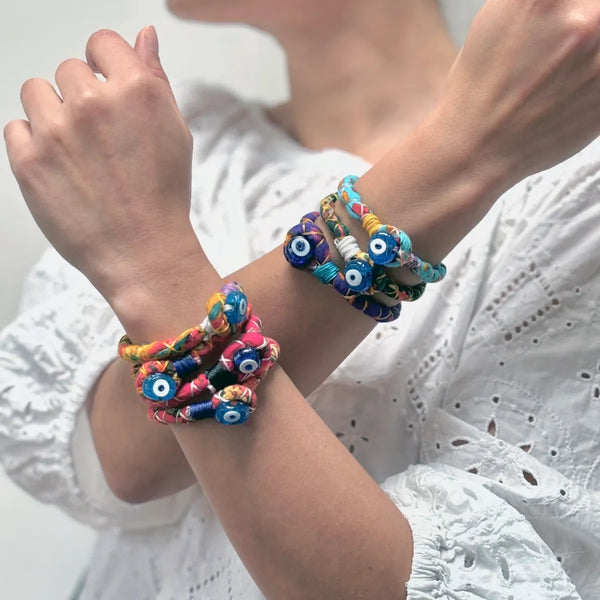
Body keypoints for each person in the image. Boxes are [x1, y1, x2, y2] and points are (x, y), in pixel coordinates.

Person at [2, 0, 600, 597]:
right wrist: (467, 149)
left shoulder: (580, 189)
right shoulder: (182, 143)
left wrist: (154, 265)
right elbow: (121, 463)